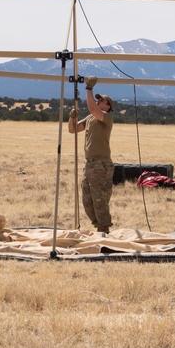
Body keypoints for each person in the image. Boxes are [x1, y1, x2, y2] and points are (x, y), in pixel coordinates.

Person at [68, 75, 115, 233]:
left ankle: (104, 229)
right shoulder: (90, 118)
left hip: (101, 164)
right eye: (97, 99)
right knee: (87, 199)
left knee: (99, 198)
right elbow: (72, 130)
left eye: (101, 101)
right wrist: (71, 117)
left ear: (108, 106)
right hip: (90, 164)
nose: (98, 101)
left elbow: (93, 109)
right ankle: (99, 227)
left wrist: (88, 89)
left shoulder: (106, 118)